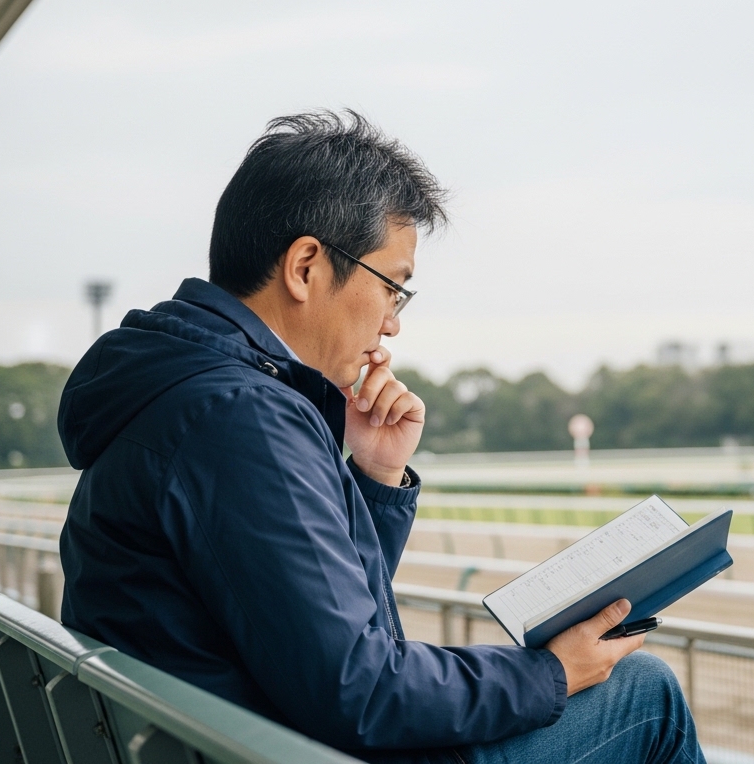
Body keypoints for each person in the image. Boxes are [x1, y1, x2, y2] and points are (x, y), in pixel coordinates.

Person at [56, 110, 704, 764]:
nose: (392, 325)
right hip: (277, 747)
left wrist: (373, 477)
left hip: (232, 738)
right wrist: (551, 673)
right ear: (306, 267)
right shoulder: (239, 414)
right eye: (393, 288)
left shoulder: (181, 390)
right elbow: (360, 691)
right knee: (643, 691)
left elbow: (325, 639)